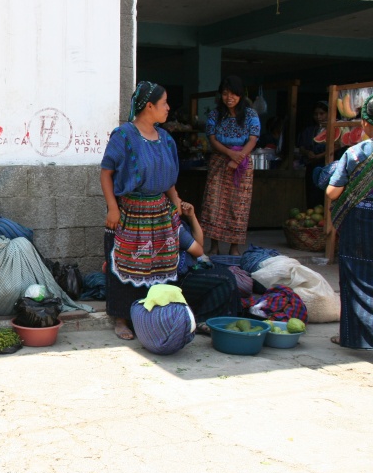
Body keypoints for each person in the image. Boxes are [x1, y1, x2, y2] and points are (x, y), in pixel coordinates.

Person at [100, 81, 182, 341]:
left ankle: (151, 315)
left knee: (158, 266)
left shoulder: (166, 138)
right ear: (149, 106)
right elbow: (106, 173)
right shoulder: (123, 136)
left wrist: (176, 201)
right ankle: (122, 318)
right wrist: (113, 208)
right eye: (164, 103)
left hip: (159, 213)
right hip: (130, 213)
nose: (168, 108)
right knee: (126, 264)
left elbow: (168, 177)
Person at [325, 94, 373, 349]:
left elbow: (332, 192)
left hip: (359, 225)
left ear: (364, 123)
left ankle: (353, 337)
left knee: (356, 279)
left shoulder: (357, 153)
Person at [200, 75, 261, 257]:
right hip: (220, 161)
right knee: (214, 204)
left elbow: (253, 139)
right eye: (226, 94)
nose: (229, 98)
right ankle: (214, 245)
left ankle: (234, 246)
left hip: (242, 164)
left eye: (234, 94)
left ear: (241, 95)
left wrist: (238, 157)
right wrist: (230, 154)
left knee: (238, 206)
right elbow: (212, 139)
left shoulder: (250, 115)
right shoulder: (215, 115)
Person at [176, 202, 240, 333]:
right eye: (176, 196)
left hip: (189, 271)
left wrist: (192, 217)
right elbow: (198, 251)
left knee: (225, 275)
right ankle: (203, 320)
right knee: (225, 279)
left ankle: (230, 320)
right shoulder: (173, 226)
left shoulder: (179, 222)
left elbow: (199, 244)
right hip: (178, 280)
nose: (180, 200)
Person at [298, 101, 330, 208]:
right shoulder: (309, 130)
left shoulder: (335, 129)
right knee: (312, 196)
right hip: (311, 167)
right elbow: (301, 146)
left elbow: (336, 147)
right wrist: (307, 152)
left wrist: (319, 156)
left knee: (325, 196)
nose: (318, 117)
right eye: (316, 114)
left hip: (327, 167)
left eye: (322, 113)